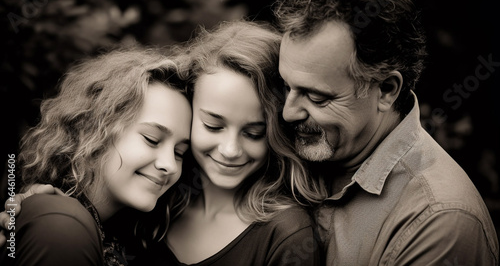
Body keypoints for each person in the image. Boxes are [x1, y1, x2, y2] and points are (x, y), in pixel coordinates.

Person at [273, 0, 499, 265]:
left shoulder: (439, 222)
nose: (288, 113)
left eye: (317, 97)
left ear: (387, 90)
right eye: (285, 86)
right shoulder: (284, 150)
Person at [133, 20, 322, 266]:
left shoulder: (287, 235)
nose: (230, 150)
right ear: (188, 108)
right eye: (213, 126)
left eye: (254, 133)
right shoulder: (153, 198)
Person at [0, 48, 192, 266]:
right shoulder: (60, 224)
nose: (170, 165)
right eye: (152, 139)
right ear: (94, 129)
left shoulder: (131, 243)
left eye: (179, 153)